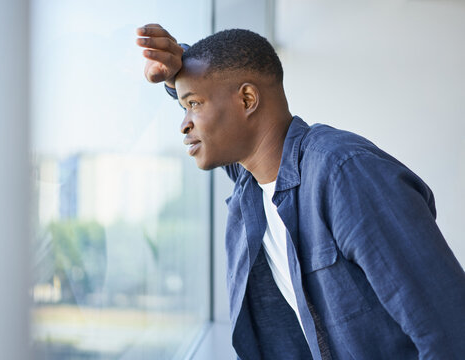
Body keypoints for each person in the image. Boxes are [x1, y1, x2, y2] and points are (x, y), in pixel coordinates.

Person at [135, 24, 465, 360]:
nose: (184, 123)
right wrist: (177, 69)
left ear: (248, 99)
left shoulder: (345, 173)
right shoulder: (255, 184)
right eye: (183, 106)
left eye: (194, 104)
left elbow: (451, 333)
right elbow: (215, 79)